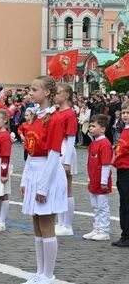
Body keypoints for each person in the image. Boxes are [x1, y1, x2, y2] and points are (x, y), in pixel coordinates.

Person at [19, 76, 67, 284]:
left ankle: (49, 275)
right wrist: (24, 179)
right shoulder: (36, 118)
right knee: (37, 225)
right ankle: (40, 272)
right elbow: (30, 152)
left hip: (47, 173)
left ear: (47, 92)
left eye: (35, 89)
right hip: (34, 171)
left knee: (47, 225)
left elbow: (54, 153)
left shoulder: (54, 119)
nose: (31, 93)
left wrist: (43, 186)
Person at [83, 114, 112, 242]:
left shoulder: (105, 144)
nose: (90, 128)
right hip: (93, 181)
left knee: (102, 206)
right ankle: (97, 228)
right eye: (90, 126)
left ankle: (104, 230)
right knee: (95, 206)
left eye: (93, 126)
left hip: (101, 183)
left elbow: (106, 165)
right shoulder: (94, 143)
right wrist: (90, 179)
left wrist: (104, 181)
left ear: (102, 129)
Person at [55, 84, 78, 237]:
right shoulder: (56, 112)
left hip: (65, 149)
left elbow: (71, 138)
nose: (56, 95)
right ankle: (60, 221)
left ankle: (67, 224)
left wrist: (67, 161)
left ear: (67, 96)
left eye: (58, 93)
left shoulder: (69, 114)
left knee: (67, 188)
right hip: (56, 148)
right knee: (58, 189)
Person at [113, 103, 129, 247]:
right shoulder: (124, 130)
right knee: (123, 203)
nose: (125, 115)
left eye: (128, 113)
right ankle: (124, 234)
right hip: (121, 169)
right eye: (123, 112)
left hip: (127, 169)